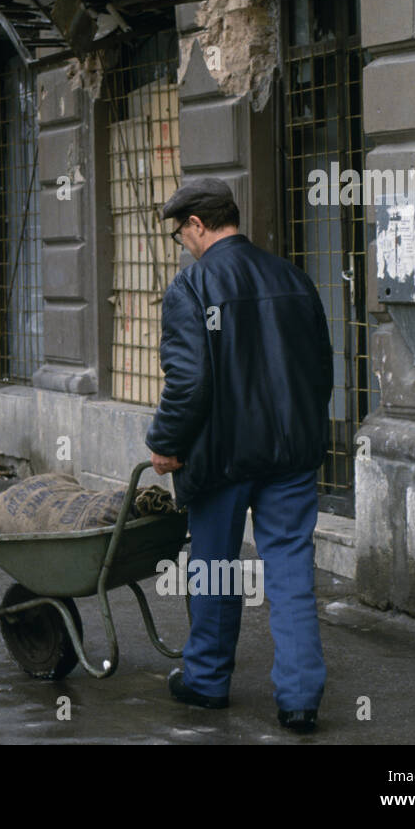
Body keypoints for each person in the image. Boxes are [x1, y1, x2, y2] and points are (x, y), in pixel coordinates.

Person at [145, 178, 332, 734]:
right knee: (292, 572)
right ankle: (299, 701)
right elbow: (320, 368)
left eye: (183, 234)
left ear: (199, 226)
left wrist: (166, 442)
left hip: (223, 458)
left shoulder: (193, 286)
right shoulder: (293, 279)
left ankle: (206, 682)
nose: (184, 244)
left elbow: (189, 383)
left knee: (216, 569)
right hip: (290, 457)